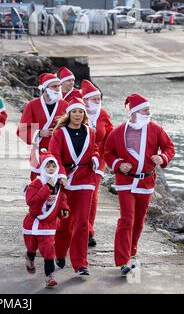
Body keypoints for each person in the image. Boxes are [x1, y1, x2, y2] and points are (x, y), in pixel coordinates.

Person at [103, 94, 175, 276]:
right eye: (145, 109)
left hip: (146, 181)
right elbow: (108, 153)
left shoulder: (156, 129)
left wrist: (163, 157)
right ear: (134, 112)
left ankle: (132, 252)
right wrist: (119, 164)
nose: (149, 112)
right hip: (125, 182)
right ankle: (122, 261)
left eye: (149, 109)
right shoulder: (118, 132)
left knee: (139, 221)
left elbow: (169, 148)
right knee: (127, 219)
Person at [49, 97, 100, 277]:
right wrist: (61, 173)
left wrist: (94, 157)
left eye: (81, 112)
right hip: (66, 182)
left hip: (86, 181)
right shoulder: (59, 133)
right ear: (69, 114)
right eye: (74, 112)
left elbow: (94, 148)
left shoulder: (90, 131)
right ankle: (61, 254)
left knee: (82, 223)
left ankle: (80, 264)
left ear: (84, 114)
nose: (78, 115)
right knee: (64, 223)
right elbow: (54, 156)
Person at [22, 151, 70, 288]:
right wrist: (47, 188)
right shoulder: (35, 183)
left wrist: (64, 209)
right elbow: (32, 202)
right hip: (33, 222)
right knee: (32, 246)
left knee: (48, 250)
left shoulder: (58, 184)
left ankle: (49, 276)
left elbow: (61, 199)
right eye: (48, 166)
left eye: (53, 166)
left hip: (48, 224)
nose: (51, 169)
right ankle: (29, 256)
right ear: (42, 168)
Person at [17, 73, 68, 181]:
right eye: (54, 86)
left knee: (58, 181)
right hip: (39, 150)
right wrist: (39, 133)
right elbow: (21, 130)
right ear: (45, 89)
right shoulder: (32, 105)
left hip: (59, 149)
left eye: (59, 86)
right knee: (38, 181)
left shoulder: (64, 105)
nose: (58, 89)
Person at [81, 80, 113, 247]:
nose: (98, 101)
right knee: (78, 196)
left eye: (99, 98)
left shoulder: (103, 114)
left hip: (98, 160)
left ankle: (88, 231)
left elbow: (110, 135)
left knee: (92, 195)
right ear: (85, 100)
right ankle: (76, 227)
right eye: (94, 98)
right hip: (78, 160)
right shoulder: (76, 112)